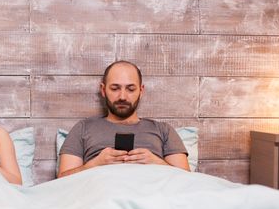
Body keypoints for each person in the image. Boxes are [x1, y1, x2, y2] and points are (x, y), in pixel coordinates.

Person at [58, 60, 189, 178]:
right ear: (103, 90)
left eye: (130, 89)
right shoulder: (83, 128)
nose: (122, 96)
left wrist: (157, 163)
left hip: (151, 195)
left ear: (141, 91)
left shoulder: (163, 130)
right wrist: (95, 164)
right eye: (115, 88)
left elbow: (187, 180)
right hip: (100, 196)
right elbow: (62, 181)